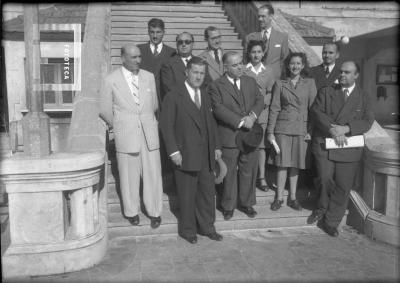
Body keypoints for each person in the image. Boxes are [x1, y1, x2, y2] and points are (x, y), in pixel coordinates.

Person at [160, 57, 223, 244]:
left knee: (206, 193)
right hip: (184, 153)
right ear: (186, 72)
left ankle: (208, 227)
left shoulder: (204, 94)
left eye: (202, 73)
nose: (198, 76)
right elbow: (166, 126)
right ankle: (188, 231)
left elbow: (211, 123)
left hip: (206, 154)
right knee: (187, 195)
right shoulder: (173, 95)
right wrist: (173, 152)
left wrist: (217, 146)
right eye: (195, 72)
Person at [99, 44, 163, 229]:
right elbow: (104, 109)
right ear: (123, 58)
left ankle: (155, 211)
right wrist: (121, 124)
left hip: (148, 132)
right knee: (128, 176)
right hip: (126, 133)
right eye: (134, 57)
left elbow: (154, 105)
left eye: (139, 57)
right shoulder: (111, 80)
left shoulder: (148, 77)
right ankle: (132, 211)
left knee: (153, 174)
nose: (138, 60)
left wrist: (145, 120)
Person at [308, 61, 374, 237]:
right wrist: (332, 129)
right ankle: (322, 207)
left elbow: (368, 121)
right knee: (324, 178)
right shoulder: (327, 91)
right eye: (341, 72)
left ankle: (331, 221)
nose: (342, 75)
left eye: (347, 72)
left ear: (356, 75)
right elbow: (316, 112)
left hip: (348, 145)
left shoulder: (364, 96)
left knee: (343, 185)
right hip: (326, 142)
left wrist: (346, 128)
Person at [210, 51, 264, 220]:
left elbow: (260, 100)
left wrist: (252, 117)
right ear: (225, 67)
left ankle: (247, 203)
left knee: (249, 170)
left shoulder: (250, 81)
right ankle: (228, 205)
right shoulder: (216, 85)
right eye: (235, 65)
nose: (240, 66)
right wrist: (240, 121)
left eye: (241, 63)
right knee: (230, 173)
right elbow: (218, 108)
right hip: (230, 135)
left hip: (250, 135)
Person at [266, 52, 317, 211]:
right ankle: (279, 198)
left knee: (296, 164)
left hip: (301, 129)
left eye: (298, 63)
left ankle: (293, 198)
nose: (295, 66)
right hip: (282, 129)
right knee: (282, 164)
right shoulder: (280, 84)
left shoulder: (310, 83)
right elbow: (274, 109)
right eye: (292, 63)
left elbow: (314, 110)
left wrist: (311, 130)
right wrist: (270, 131)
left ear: (303, 66)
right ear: (288, 65)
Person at [243, 40, 276, 192]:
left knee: (261, 147)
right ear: (249, 53)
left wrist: (261, 104)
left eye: (259, 52)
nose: (256, 55)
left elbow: (270, 93)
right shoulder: (243, 70)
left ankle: (262, 177)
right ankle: (247, 176)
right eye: (253, 52)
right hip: (247, 113)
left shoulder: (268, 71)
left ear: (263, 53)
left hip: (262, 113)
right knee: (247, 145)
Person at [160, 31, 211, 100]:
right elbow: (169, 89)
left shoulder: (202, 63)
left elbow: (208, 85)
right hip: (179, 104)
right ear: (177, 45)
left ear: (193, 44)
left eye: (187, 42)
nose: (184, 44)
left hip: (199, 103)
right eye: (180, 42)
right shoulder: (168, 64)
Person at [245, 3, 289, 80]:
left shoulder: (282, 37)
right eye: (259, 16)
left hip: (275, 79)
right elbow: (246, 60)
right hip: (254, 78)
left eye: (263, 16)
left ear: (271, 16)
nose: (260, 19)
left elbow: (284, 59)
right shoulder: (250, 37)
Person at [138, 18, 175, 105]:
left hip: (165, 99)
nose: (155, 36)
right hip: (144, 99)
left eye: (158, 32)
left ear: (163, 32)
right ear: (148, 32)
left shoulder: (172, 53)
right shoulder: (139, 50)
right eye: (152, 32)